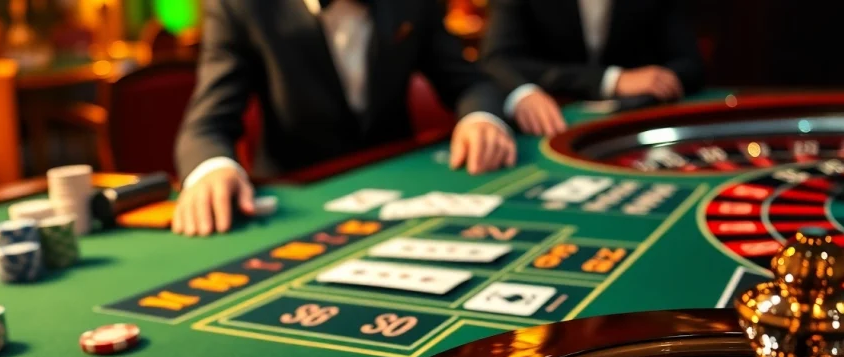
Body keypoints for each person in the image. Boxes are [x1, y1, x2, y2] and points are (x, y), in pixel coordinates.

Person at [173, 0, 519, 237]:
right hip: (297, 205)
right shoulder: (240, 5)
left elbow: (467, 81)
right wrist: (212, 168)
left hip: (404, 187)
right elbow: (207, 122)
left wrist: (481, 118)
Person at [481, 0, 705, 135]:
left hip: (636, 126)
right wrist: (612, 80)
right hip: (552, 124)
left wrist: (661, 80)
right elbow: (498, 59)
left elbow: (690, 65)